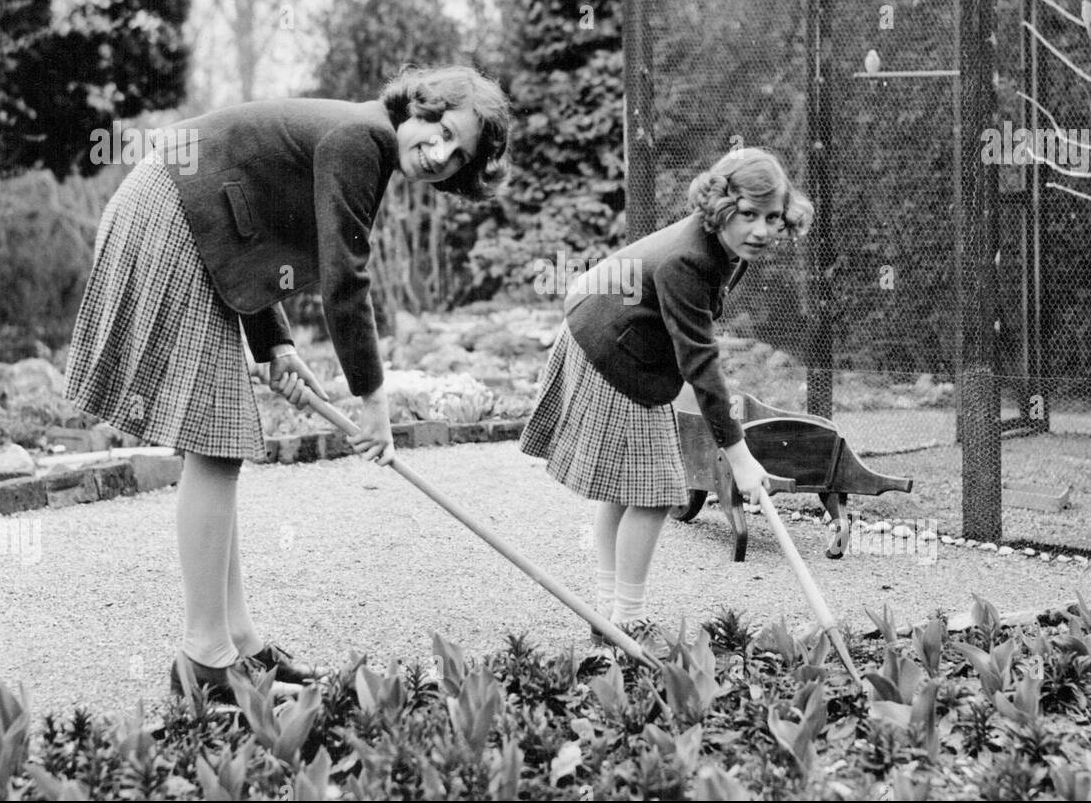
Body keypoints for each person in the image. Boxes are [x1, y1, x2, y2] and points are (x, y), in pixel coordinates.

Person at [65, 65, 511, 701]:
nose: (439, 152)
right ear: (417, 106)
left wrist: (274, 345)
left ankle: (238, 644)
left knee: (217, 441)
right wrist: (373, 403)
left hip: (194, 219)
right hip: (169, 213)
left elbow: (249, 226)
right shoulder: (363, 138)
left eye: (458, 154)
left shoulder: (364, 138)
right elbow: (344, 280)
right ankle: (204, 658)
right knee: (216, 440)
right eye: (440, 127)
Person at [520, 147, 813, 657]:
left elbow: (692, 338)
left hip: (619, 333)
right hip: (609, 344)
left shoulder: (727, 247)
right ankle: (627, 623)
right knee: (654, 492)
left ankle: (608, 618)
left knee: (625, 486)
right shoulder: (689, 258)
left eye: (771, 217)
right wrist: (739, 456)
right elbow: (700, 362)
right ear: (721, 207)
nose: (762, 230)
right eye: (748, 214)